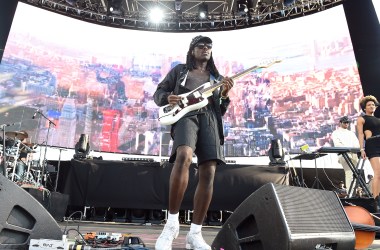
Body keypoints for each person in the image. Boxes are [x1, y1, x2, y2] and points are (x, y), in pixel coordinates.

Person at [153, 35, 234, 250]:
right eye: (201, 45)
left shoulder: (217, 77)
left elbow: (221, 110)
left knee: (209, 171)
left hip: (209, 118)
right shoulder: (180, 71)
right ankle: (171, 225)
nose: (206, 49)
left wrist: (224, 95)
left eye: (209, 46)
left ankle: (195, 234)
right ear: (192, 50)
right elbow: (158, 93)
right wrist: (167, 97)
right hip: (186, 117)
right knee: (184, 156)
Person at [357, 95, 380, 199]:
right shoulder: (362, 119)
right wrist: (362, 149)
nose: (371, 106)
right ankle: (376, 199)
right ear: (365, 108)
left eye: (373, 104)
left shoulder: (378, 119)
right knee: (378, 173)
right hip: (372, 145)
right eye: (369, 105)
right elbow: (361, 134)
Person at [331, 116, 360, 189]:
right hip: (344, 154)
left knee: (355, 174)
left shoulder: (351, 133)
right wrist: (349, 149)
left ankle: (354, 191)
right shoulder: (336, 133)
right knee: (349, 173)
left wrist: (354, 150)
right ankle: (349, 192)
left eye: (348, 122)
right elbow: (338, 144)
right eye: (345, 122)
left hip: (354, 154)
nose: (347, 124)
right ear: (340, 123)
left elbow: (356, 143)